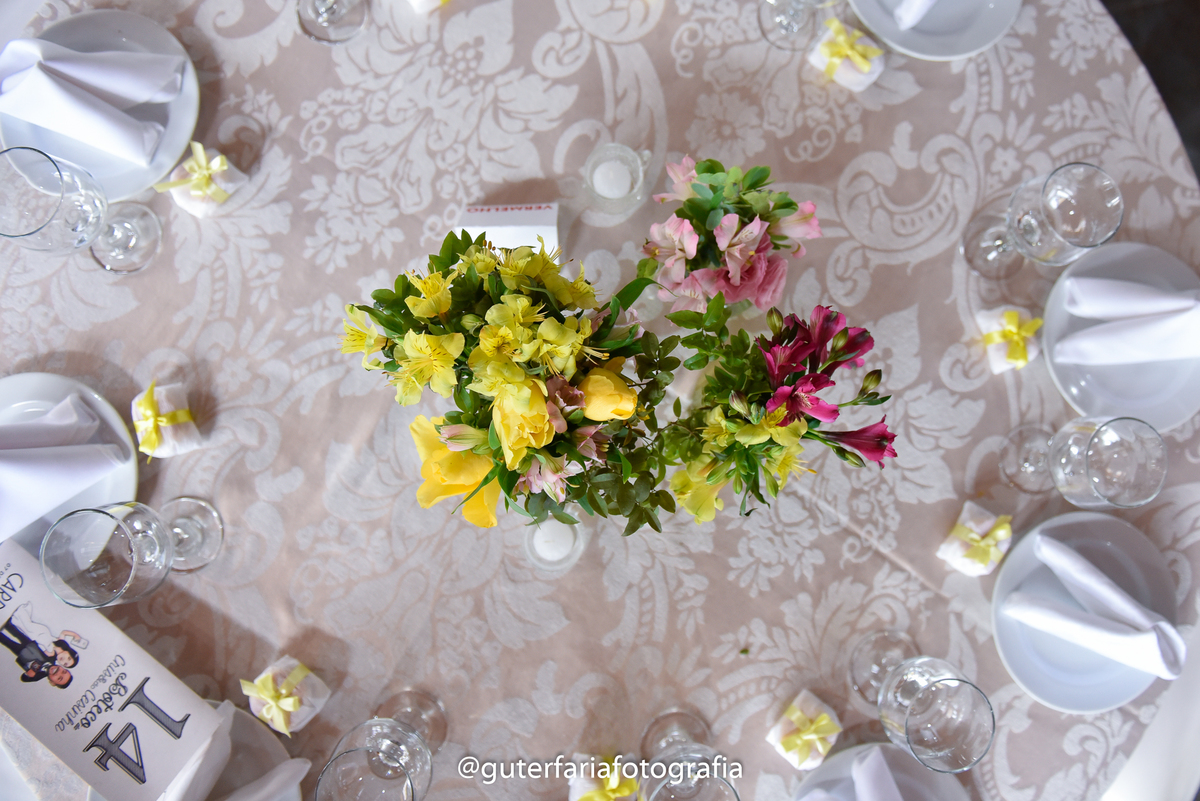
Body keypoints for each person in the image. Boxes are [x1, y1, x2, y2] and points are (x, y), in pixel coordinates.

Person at [5, 602, 83, 668]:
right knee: (29, 626)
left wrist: (49, 653)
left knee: (25, 630)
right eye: (69, 658)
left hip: (37, 639)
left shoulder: (52, 656)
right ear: (69, 652)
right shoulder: (60, 644)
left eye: (65, 663)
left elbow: (44, 652)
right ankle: (21, 611)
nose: (64, 660)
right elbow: (64, 633)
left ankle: (16, 619)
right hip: (42, 633)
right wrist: (75, 635)